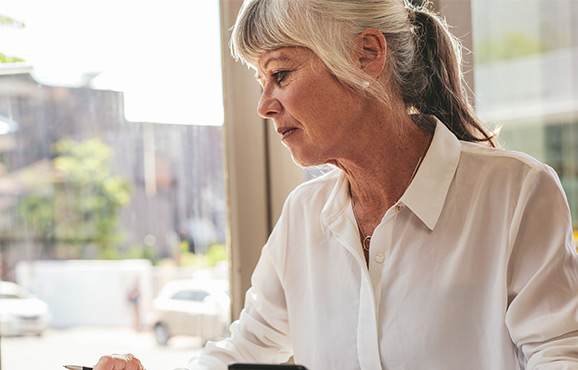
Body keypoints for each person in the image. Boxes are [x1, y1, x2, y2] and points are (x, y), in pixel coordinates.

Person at [94, 0, 578, 369]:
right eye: (262, 80)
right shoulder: (303, 215)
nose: (264, 104)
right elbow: (243, 349)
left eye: (280, 74)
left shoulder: (517, 193)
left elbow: (561, 356)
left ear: (367, 54)